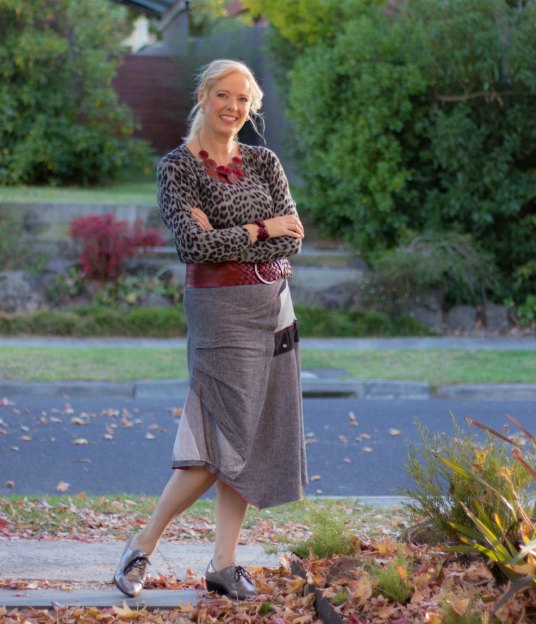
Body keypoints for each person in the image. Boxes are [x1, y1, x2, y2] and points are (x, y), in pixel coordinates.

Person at [113, 59, 307, 601]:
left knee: (247, 442)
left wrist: (238, 233)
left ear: (253, 107)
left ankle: (223, 563)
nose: (233, 108)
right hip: (219, 310)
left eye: (243, 100)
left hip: (275, 308)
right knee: (220, 441)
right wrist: (260, 227)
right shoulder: (177, 167)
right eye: (223, 95)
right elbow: (193, 247)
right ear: (203, 96)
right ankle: (141, 545)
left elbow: (292, 238)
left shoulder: (265, 162)